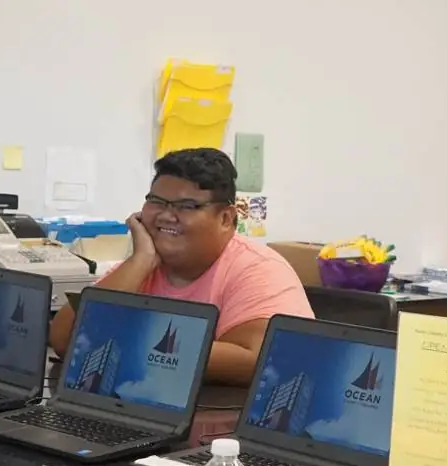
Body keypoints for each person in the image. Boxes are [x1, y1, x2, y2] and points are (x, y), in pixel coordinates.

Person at [47, 148, 313, 386]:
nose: (165, 215)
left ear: (226, 218)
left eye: (187, 206)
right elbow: (64, 338)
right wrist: (140, 262)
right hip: (136, 407)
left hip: (218, 427)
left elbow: (257, 359)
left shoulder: (258, 269)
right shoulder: (144, 261)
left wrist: (122, 342)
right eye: (157, 202)